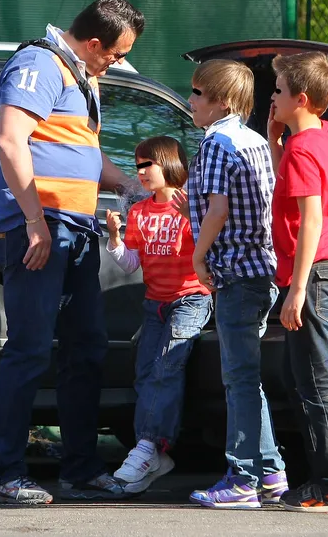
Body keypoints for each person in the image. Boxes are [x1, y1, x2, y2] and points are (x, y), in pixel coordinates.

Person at [0, 0, 143, 505]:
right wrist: (34, 222)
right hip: (38, 229)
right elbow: (11, 142)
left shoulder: (82, 75)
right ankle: (2, 474)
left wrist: (134, 188)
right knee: (29, 349)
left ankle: (80, 467)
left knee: (86, 347)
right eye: (115, 55)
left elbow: (84, 155)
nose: (116, 64)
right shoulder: (37, 65)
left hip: (76, 229)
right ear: (93, 43)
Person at [185, 59, 289, 509]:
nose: (190, 101)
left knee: (240, 380)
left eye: (197, 93)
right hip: (261, 272)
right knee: (247, 378)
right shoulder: (253, 142)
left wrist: (197, 254)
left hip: (236, 272)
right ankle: (271, 473)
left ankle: (242, 479)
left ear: (220, 102)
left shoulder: (215, 144)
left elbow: (218, 208)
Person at [267, 51, 328, 513]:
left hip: (315, 272)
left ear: (301, 98)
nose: (272, 96)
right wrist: (273, 141)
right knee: (302, 374)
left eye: (279, 90)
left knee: (316, 380)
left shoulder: (304, 149)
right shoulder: (323, 134)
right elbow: (298, 179)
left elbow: (310, 220)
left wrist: (298, 289)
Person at [105, 136, 212, 494]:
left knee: (166, 369)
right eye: (138, 165)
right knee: (145, 371)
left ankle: (150, 446)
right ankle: (151, 451)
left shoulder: (190, 206)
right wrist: (116, 240)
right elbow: (131, 264)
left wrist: (192, 219)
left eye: (147, 164)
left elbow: (212, 250)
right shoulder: (139, 212)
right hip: (155, 303)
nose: (141, 172)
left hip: (190, 299)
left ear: (169, 163)